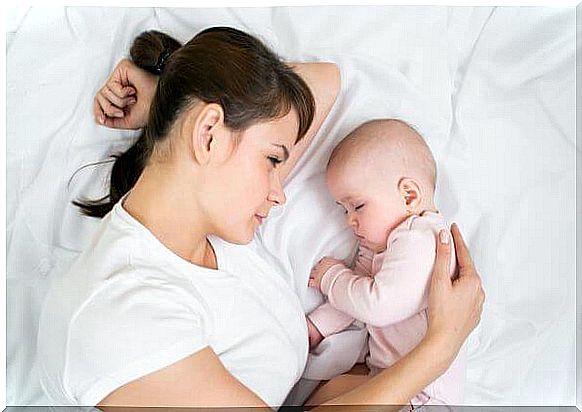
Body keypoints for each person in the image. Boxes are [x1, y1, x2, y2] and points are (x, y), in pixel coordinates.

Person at [36, 26, 484, 410]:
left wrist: (168, 104)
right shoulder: (119, 312)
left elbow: (323, 83)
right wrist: (441, 344)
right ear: (209, 135)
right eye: (272, 160)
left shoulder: (214, 229)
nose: (279, 193)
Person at [304, 119, 466, 409]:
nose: (349, 220)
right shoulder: (384, 246)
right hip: (395, 383)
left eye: (358, 206)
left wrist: (331, 278)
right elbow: (357, 293)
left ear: (409, 195)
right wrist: (317, 327)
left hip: (424, 397)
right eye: (343, 209)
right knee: (326, 394)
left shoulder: (421, 240)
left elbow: (377, 304)